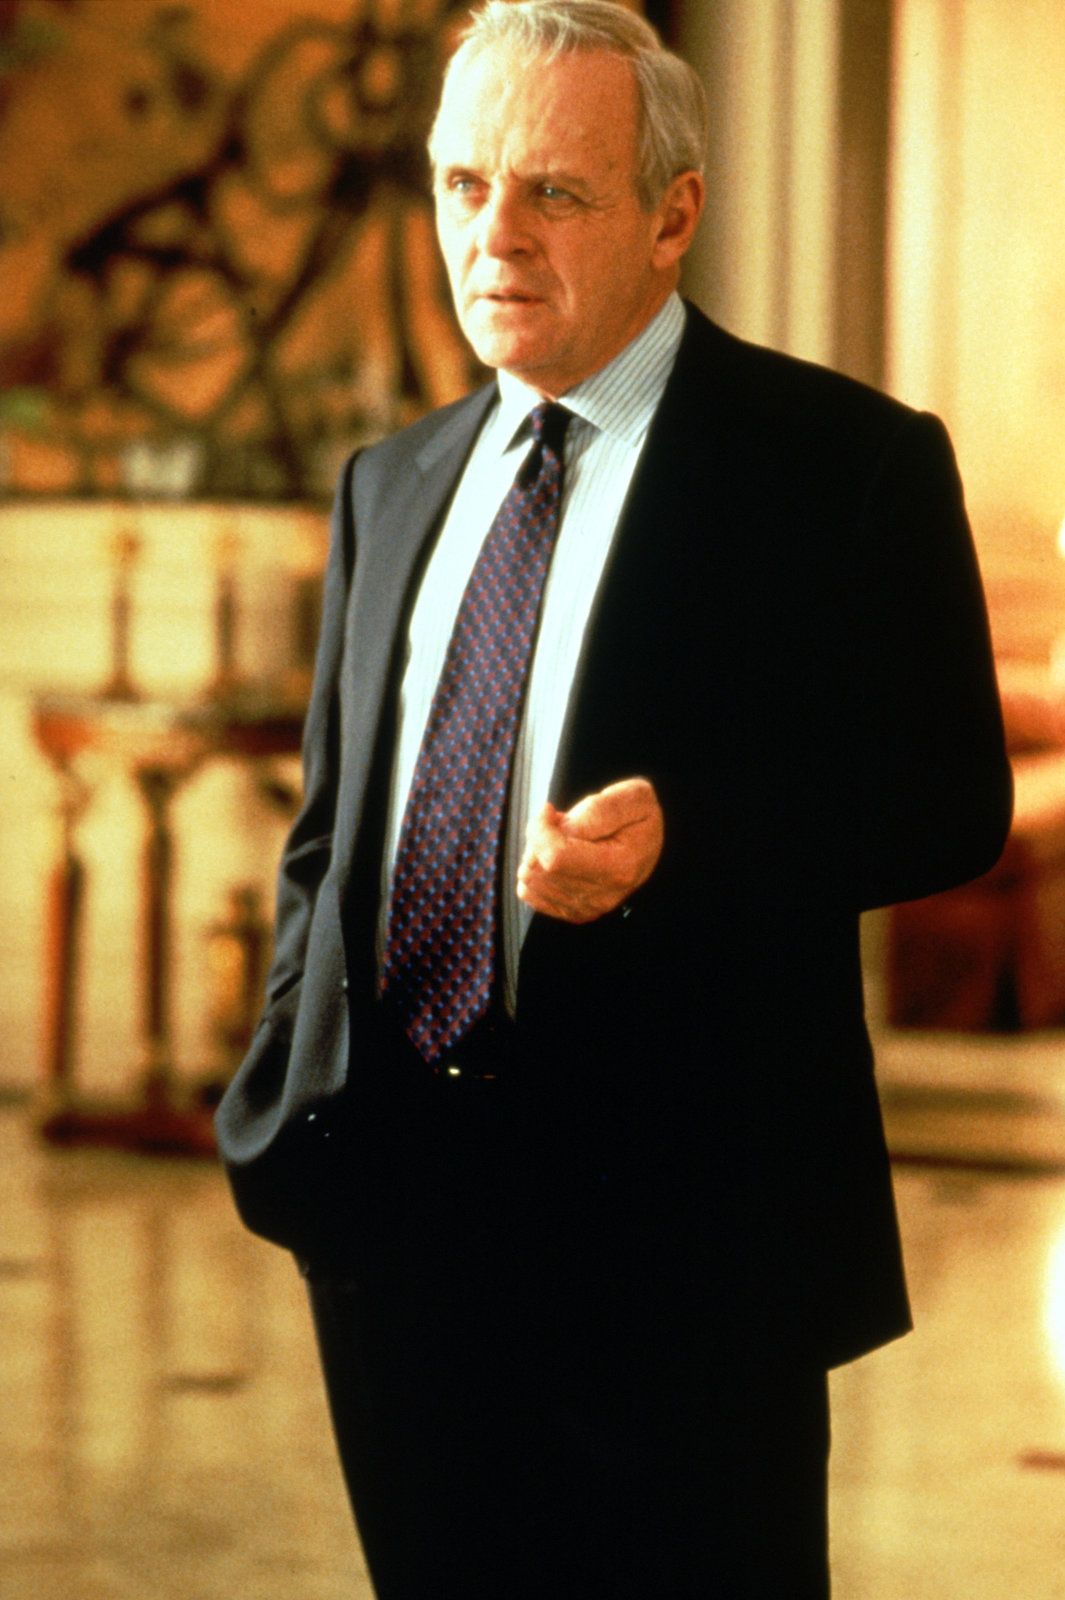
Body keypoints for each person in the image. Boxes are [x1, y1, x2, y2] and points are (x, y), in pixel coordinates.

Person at [215, 3, 1013, 1595]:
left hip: (684, 1241)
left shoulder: (840, 464)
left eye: (553, 192)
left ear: (671, 213)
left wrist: (687, 843)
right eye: (462, 185)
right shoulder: (388, 483)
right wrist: (288, 1091)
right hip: (390, 1228)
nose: (493, 236)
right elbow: (330, 841)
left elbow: (947, 799)